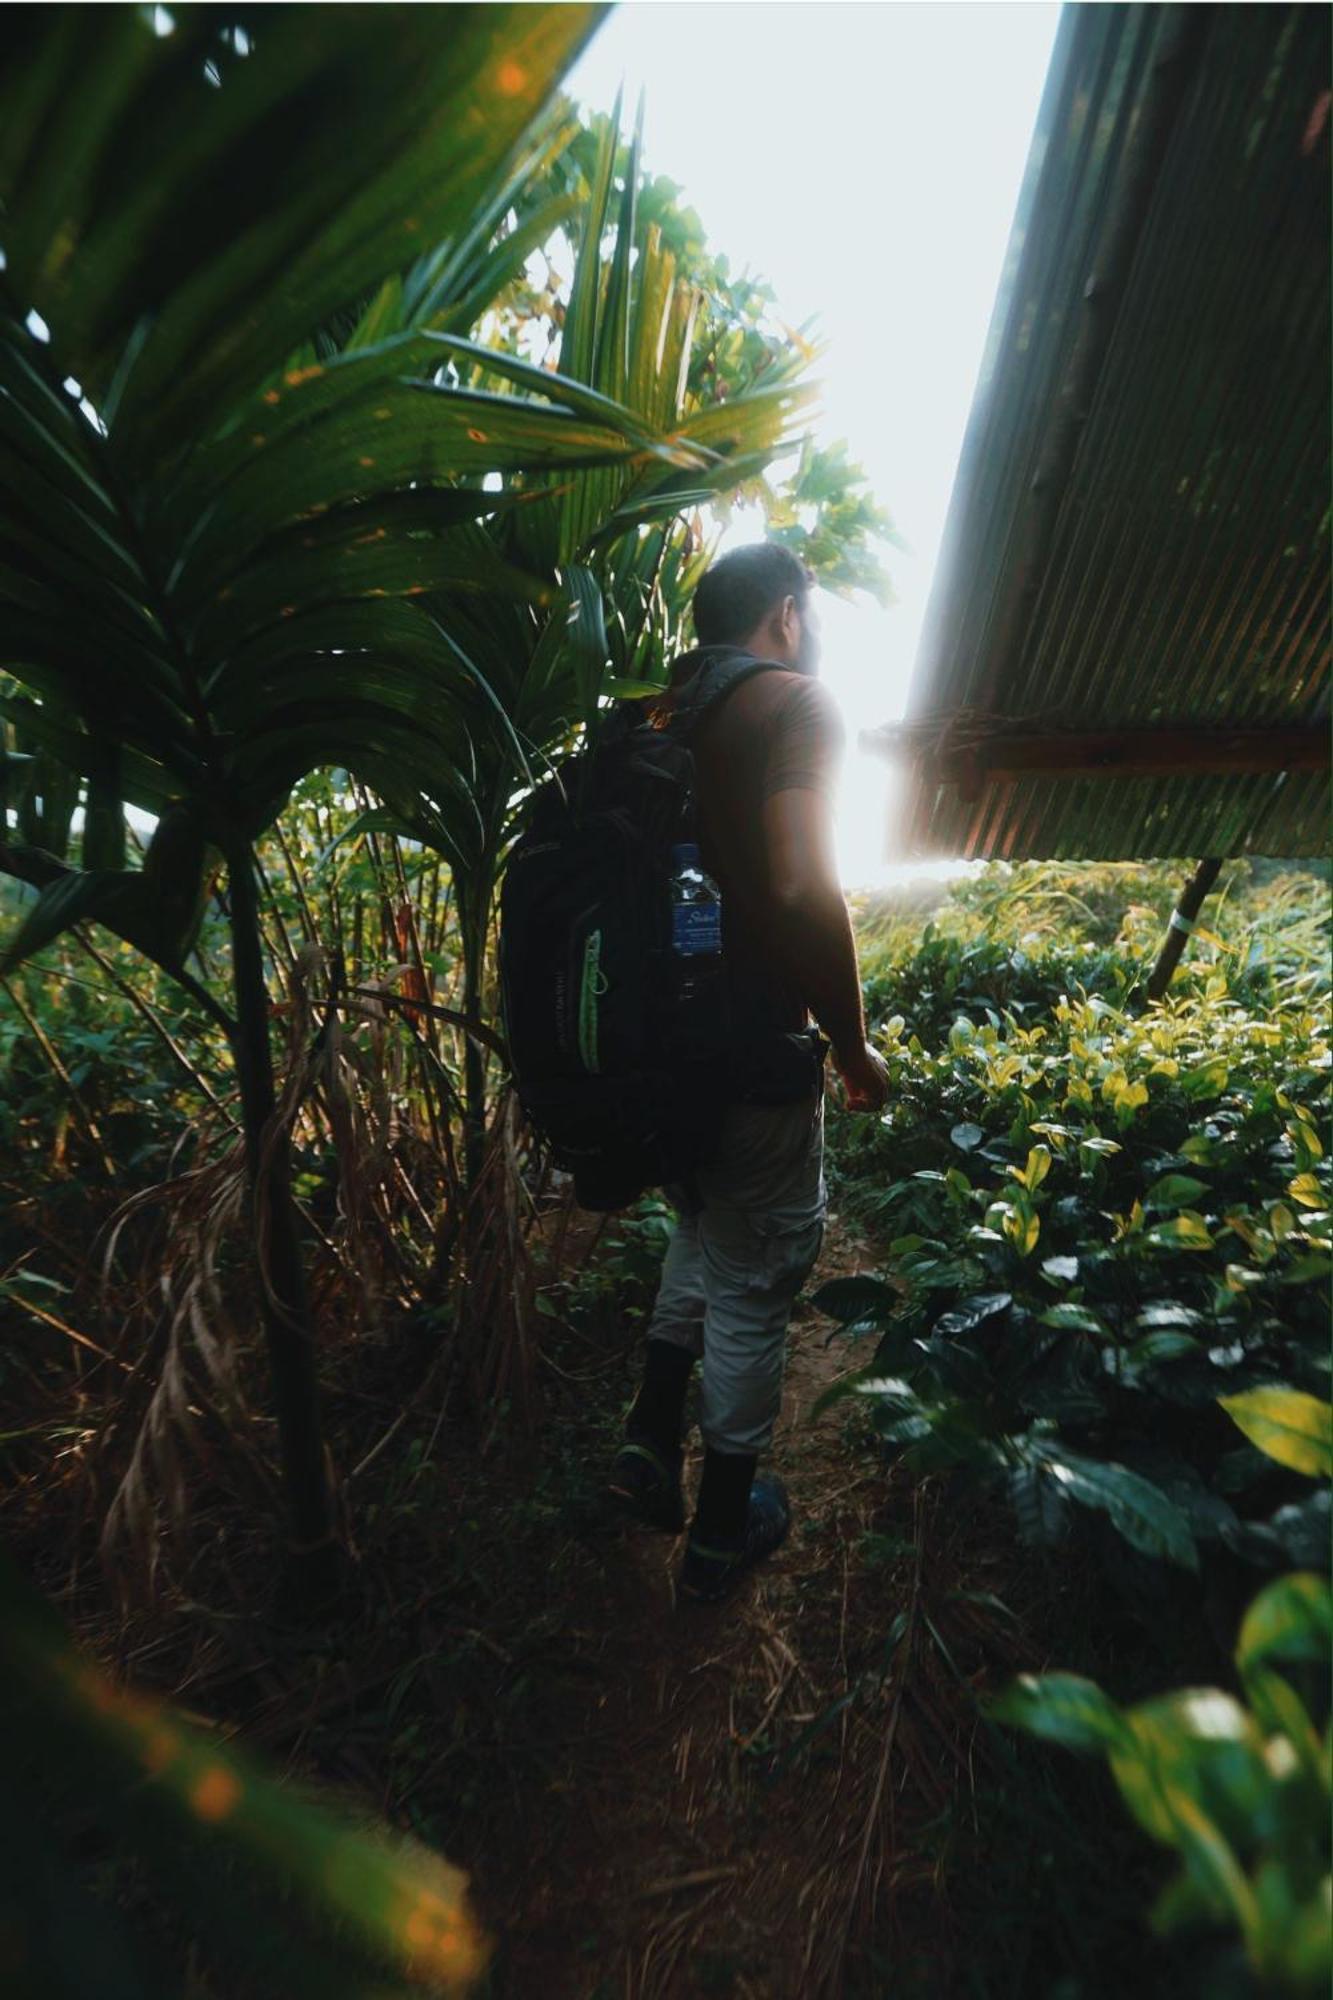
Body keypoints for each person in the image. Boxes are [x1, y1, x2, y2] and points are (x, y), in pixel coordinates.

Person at [606, 542, 890, 1601]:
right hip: (751, 1062)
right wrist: (852, 1046)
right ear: (784, 613)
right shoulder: (796, 704)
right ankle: (724, 1524)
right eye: (806, 614)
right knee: (759, 1276)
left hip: (651, 1066)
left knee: (698, 1222)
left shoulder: (653, 717)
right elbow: (802, 880)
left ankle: (645, 1435)